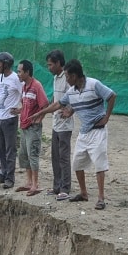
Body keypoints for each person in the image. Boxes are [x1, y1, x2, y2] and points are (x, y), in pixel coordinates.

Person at [30, 59, 116, 210]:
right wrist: (42, 112)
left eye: (68, 76)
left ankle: (101, 198)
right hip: (84, 131)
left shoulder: (94, 84)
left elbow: (111, 96)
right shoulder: (72, 92)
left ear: (75, 75)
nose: (67, 79)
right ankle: (83, 193)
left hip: (98, 130)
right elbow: (58, 104)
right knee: (77, 163)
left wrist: (107, 117)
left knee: (99, 164)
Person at [14, 60, 48, 196]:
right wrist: (18, 111)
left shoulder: (36, 86)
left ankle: (35, 184)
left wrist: (39, 119)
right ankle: (28, 182)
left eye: (20, 71)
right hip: (24, 126)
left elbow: (45, 104)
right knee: (24, 154)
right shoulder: (24, 87)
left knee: (33, 154)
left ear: (27, 72)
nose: (18, 74)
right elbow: (26, 105)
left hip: (33, 128)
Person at [46, 49, 74, 200]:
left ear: (58, 63)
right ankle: (57, 186)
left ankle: (65, 188)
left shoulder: (67, 78)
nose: (49, 67)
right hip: (55, 124)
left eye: (51, 64)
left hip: (65, 125)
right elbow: (56, 97)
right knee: (55, 156)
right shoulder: (56, 78)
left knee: (63, 157)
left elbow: (75, 96)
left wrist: (70, 111)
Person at [0, 52, 22, 190]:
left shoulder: (15, 78)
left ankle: (10, 178)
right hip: (0, 118)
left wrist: (21, 109)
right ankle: (3, 173)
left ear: (6, 64)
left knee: (10, 149)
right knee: (1, 148)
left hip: (10, 119)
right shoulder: (1, 77)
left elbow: (25, 95)